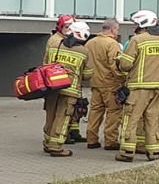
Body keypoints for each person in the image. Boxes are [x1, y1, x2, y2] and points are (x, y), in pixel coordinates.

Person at [116, 10, 159, 162]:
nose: (134, 27)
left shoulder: (137, 40)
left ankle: (127, 152)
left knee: (131, 119)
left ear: (141, 24)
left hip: (139, 88)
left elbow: (126, 65)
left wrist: (119, 61)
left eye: (135, 24)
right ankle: (154, 152)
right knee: (152, 120)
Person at [42, 20, 95, 157]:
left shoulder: (55, 45)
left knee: (50, 116)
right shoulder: (84, 51)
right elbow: (88, 74)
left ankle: (47, 143)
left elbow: (45, 64)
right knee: (63, 117)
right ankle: (56, 146)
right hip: (70, 90)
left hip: (51, 87)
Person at [84, 18, 125, 150]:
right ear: (113, 29)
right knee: (113, 112)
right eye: (117, 30)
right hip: (110, 84)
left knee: (95, 111)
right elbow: (115, 66)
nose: (117, 32)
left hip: (95, 82)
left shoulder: (90, 43)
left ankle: (91, 139)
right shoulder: (112, 44)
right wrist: (123, 79)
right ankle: (110, 141)